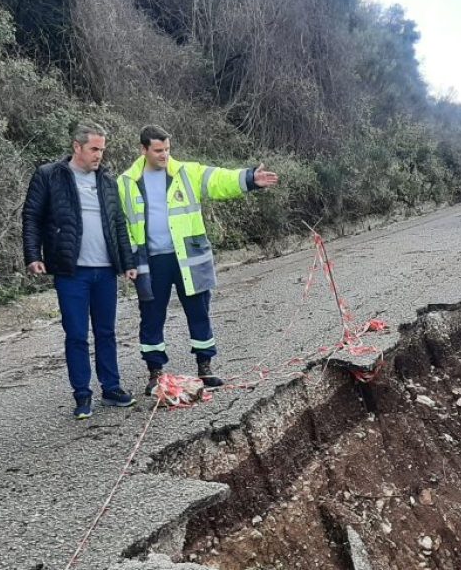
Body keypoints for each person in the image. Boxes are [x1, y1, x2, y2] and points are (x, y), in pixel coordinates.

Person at [117, 125, 279, 395]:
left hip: (188, 258)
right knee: (151, 317)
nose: (164, 155)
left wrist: (249, 179)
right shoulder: (126, 182)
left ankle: (205, 367)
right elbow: (120, 225)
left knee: (199, 312)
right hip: (150, 261)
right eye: (158, 151)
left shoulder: (185, 172)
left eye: (167, 149)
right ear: (143, 150)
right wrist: (128, 260)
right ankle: (155, 372)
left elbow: (218, 180)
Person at [22, 122, 138, 419]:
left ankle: (111, 388)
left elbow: (118, 223)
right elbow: (32, 216)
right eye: (94, 149)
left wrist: (127, 262)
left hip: (105, 270)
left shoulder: (107, 180)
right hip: (71, 270)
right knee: (76, 334)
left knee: (106, 332)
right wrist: (33, 254)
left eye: (102, 149)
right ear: (77, 147)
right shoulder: (49, 176)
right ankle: (82, 395)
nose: (99, 155)